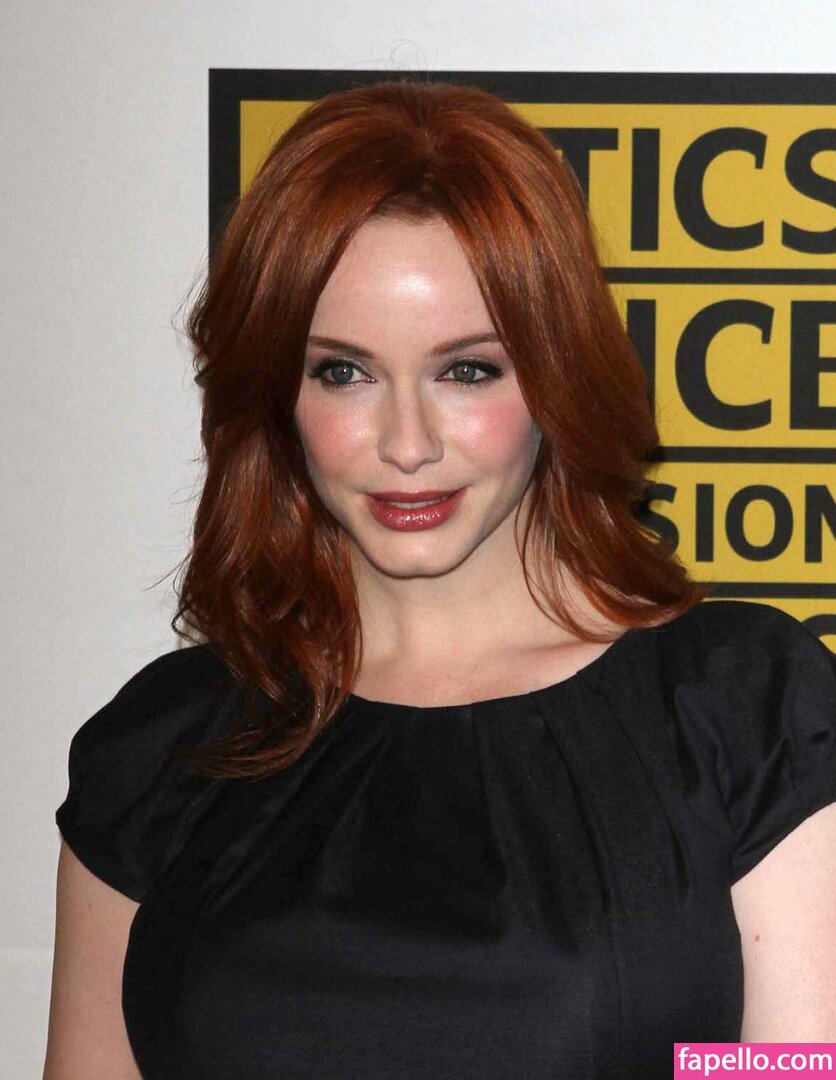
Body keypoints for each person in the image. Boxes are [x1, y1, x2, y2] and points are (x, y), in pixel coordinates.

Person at [44, 78, 836, 1080]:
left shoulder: (743, 713)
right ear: (277, 395)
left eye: (467, 370)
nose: (407, 444)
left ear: (555, 376)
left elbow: (798, 1065)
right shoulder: (161, 747)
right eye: (343, 372)